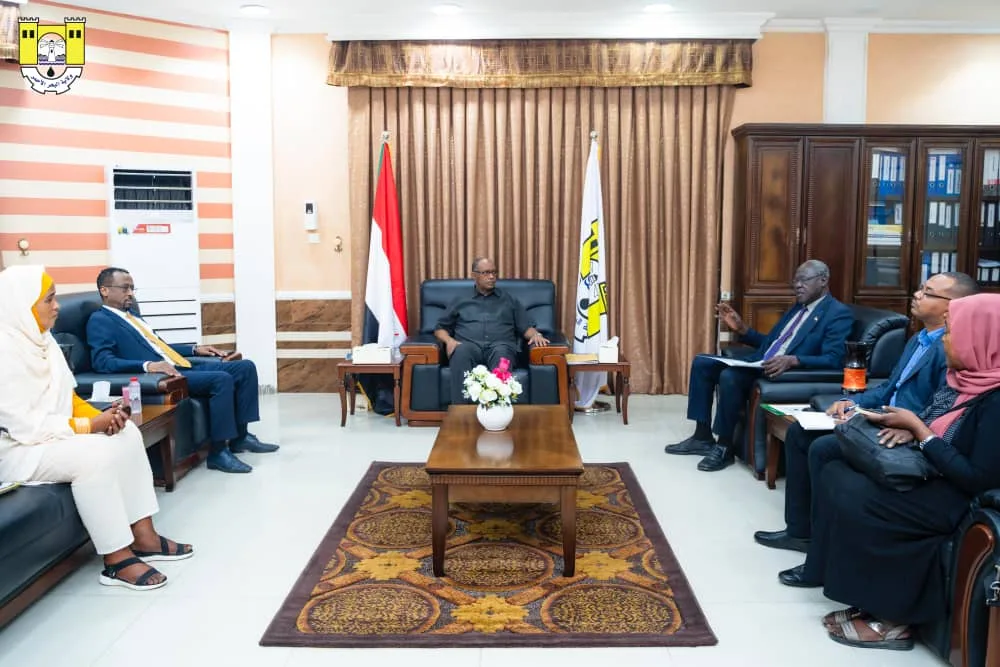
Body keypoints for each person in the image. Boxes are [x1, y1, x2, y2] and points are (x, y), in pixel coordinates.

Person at [782, 292, 1000, 651]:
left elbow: (978, 479)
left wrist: (920, 432)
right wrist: (909, 429)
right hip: (935, 473)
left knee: (861, 498)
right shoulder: (963, 379)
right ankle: (866, 602)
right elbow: (935, 424)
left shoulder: (995, 400)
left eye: (952, 333)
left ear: (980, 338)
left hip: (960, 497)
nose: (945, 340)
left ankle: (893, 621)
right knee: (838, 475)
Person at [755, 272, 979, 554]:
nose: (917, 295)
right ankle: (800, 531)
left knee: (823, 449)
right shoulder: (918, 339)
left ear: (953, 306)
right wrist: (851, 402)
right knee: (801, 432)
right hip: (882, 417)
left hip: (904, 430)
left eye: (928, 292)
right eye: (920, 288)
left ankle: (821, 540)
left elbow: (945, 405)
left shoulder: (952, 348)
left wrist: (914, 429)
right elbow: (888, 387)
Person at [0, 265, 192, 591]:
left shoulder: (43, 340)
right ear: (22, 304)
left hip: (51, 436)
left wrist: (108, 417)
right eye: (49, 299)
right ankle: (116, 560)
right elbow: (24, 425)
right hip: (18, 449)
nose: (57, 306)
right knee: (94, 456)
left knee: (127, 433)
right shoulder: (5, 352)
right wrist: (91, 425)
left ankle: (144, 535)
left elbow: (68, 397)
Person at [86, 267, 277, 475]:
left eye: (132, 288)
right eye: (125, 288)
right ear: (105, 290)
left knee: (245, 367)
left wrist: (194, 349)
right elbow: (102, 362)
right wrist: (148, 366)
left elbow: (160, 347)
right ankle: (218, 453)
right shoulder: (100, 320)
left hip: (178, 364)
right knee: (221, 379)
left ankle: (241, 437)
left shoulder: (132, 316)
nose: (131, 293)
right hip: (163, 375)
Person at [665, 260, 852, 472]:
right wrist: (742, 329)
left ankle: (724, 446)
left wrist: (794, 360)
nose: (798, 285)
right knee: (702, 363)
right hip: (760, 361)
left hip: (782, 372)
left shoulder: (837, 313)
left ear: (823, 280)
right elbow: (771, 344)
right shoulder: (798, 308)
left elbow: (834, 359)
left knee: (730, 376)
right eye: (795, 281)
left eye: (804, 280)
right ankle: (702, 437)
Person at [434, 257, 550, 406]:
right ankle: (461, 412)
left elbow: (526, 326)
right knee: (460, 352)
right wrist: (449, 341)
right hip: (468, 346)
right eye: (486, 273)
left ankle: (497, 412)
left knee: (503, 355)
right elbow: (440, 328)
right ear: (474, 275)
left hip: (500, 346)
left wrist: (536, 335)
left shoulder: (508, 299)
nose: (491, 277)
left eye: (494, 272)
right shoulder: (460, 299)